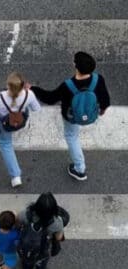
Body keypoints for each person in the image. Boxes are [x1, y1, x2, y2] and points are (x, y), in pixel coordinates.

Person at [30, 51, 111, 181]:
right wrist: (102, 110)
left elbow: (50, 98)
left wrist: (33, 88)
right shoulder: (98, 79)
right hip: (91, 115)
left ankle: (80, 169)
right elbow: (105, 100)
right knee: (73, 136)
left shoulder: (68, 85)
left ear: (75, 66)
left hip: (71, 118)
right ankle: (78, 168)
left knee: (71, 137)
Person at [0, 72, 41, 188]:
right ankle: (15, 176)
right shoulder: (29, 94)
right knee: (8, 141)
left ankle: (16, 176)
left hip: (4, 124)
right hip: (20, 121)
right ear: (22, 85)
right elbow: (36, 109)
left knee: (6, 145)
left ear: (8, 86)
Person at [18, 192, 66, 269]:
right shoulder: (57, 222)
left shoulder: (26, 214)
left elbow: (18, 223)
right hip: (42, 246)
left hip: (26, 244)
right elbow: (58, 237)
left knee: (27, 258)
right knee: (42, 259)